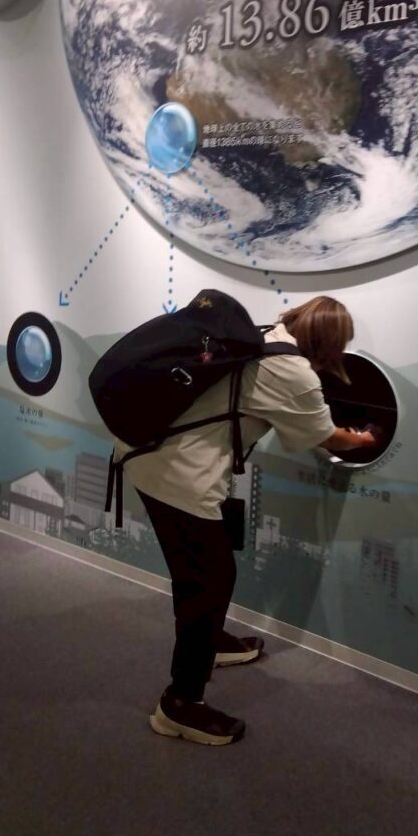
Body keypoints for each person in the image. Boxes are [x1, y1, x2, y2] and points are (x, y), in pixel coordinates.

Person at [114, 295, 378, 746]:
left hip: (147, 453)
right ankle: (180, 704)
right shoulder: (292, 372)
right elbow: (326, 436)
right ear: (329, 344)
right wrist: (366, 439)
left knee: (200, 575)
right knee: (209, 580)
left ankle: (209, 642)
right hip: (176, 474)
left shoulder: (265, 336)